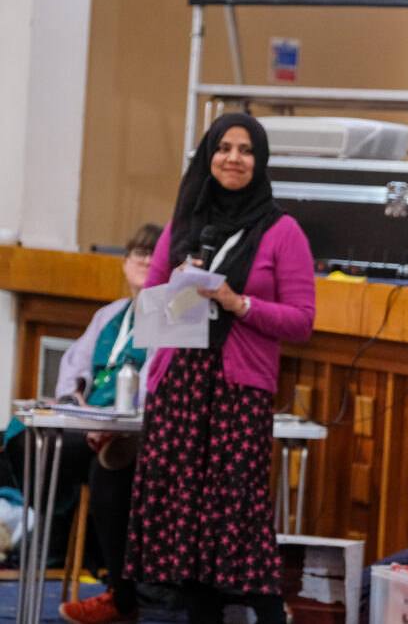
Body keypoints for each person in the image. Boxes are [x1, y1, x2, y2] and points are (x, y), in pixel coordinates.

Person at [122, 113, 315, 624]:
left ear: (261, 160)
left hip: (237, 392)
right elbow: (150, 308)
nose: (234, 158)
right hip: (180, 391)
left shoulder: (282, 230)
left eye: (246, 149)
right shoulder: (182, 225)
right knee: (185, 538)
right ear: (208, 156)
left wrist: (237, 301)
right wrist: (178, 288)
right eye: (224, 147)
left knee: (239, 524)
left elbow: (301, 322)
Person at [0, 223, 161, 624]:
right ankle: (52, 516)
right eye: (136, 254)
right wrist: (75, 399)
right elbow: (75, 364)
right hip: (90, 414)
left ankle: (77, 547)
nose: (143, 261)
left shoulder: (170, 318)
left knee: (103, 460)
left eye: (153, 254)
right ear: (124, 264)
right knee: (17, 438)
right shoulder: (109, 314)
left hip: (136, 427)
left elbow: (162, 378)